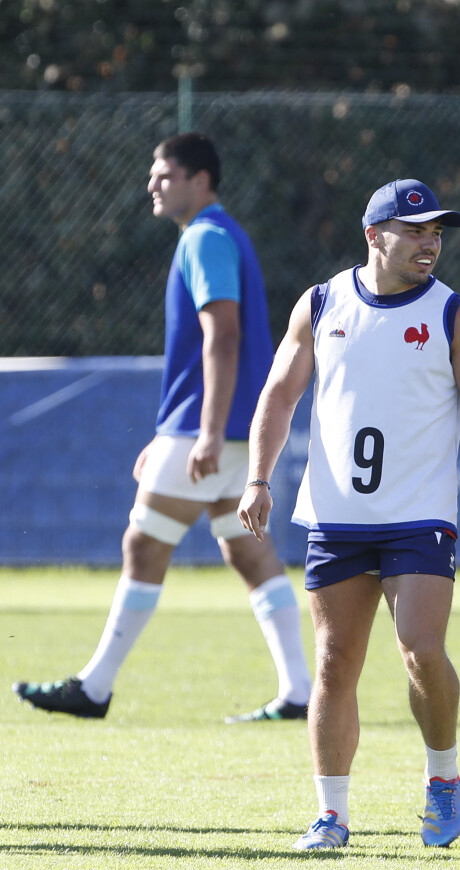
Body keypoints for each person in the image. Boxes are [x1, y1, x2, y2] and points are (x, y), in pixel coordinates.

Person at [237, 178, 460, 848]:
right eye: (415, 230)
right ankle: (331, 816)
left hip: (420, 516)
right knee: (333, 664)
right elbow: (278, 396)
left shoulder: (456, 317)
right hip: (336, 518)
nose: (430, 243)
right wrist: (257, 479)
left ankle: (442, 776)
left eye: (437, 233)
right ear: (374, 235)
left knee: (419, 648)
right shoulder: (322, 302)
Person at [13, 132, 311, 724]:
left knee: (143, 544)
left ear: (201, 180)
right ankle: (299, 691)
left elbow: (222, 335)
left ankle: (94, 687)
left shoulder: (204, 236)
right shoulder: (220, 234)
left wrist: (202, 431)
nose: (153, 183)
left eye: (165, 174)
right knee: (246, 553)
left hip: (212, 428)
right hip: (220, 424)